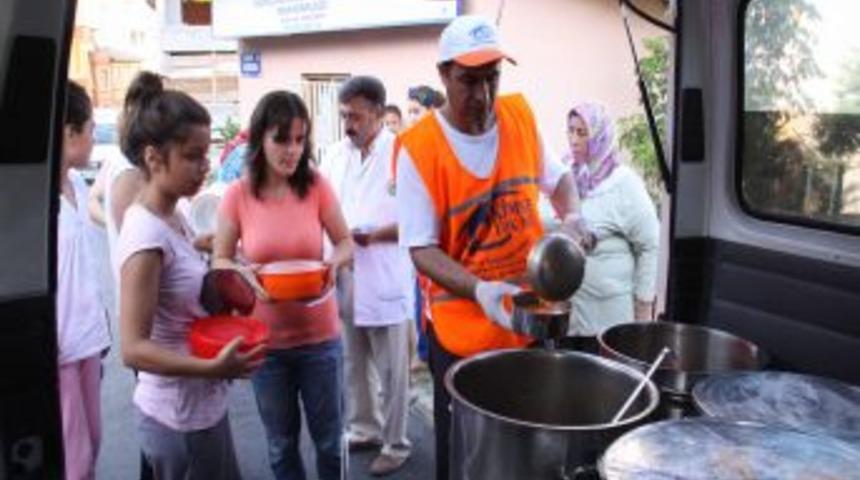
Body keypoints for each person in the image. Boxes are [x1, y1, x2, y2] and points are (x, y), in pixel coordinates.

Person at [394, 15, 587, 480]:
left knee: (533, 455)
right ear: (443, 75)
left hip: (530, 324)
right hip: (464, 340)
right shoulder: (418, 149)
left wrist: (574, 216)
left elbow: (558, 180)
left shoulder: (519, 117)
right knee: (466, 459)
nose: (482, 94)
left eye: (492, 78)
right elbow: (421, 249)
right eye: (468, 80)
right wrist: (481, 291)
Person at [117, 74, 261, 480]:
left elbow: (178, 271)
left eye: (207, 153)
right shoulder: (145, 236)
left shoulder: (173, 214)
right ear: (153, 157)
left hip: (201, 408)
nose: (205, 167)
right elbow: (133, 349)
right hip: (176, 416)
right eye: (192, 156)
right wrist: (214, 369)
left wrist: (209, 250)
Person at [212, 91, 353, 480]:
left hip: (320, 339)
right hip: (266, 345)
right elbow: (220, 259)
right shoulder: (237, 195)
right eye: (281, 139)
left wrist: (334, 264)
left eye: (299, 139)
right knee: (281, 444)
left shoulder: (317, 186)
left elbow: (346, 242)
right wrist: (242, 273)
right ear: (260, 139)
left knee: (329, 441)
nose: (292, 150)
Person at [320, 77, 414, 476]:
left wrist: (374, 235)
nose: (348, 125)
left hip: (386, 273)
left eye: (355, 116)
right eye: (343, 116)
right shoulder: (334, 155)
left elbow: (420, 221)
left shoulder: (404, 154)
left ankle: (396, 443)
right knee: (354, 361)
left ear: (378, 113)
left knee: (393, 370)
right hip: (345, 273)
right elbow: (323, 207)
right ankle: (364, 428)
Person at [57, 80, 112, 480]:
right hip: (58, 351)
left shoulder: (77, 183)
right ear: (67, 131)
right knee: (73, 463)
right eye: (90, 128)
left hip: (88, 340)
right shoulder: (31, 197)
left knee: (92, 442)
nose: (94, 137)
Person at [565, 102, 660, 334]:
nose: (573, 140)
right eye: (570, 130)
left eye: (582, 132)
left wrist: (643, 310)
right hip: (570, 319)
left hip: (608, 321)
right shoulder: (566, 174)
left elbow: (650, 245)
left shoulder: (624, 184)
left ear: (599, 135)